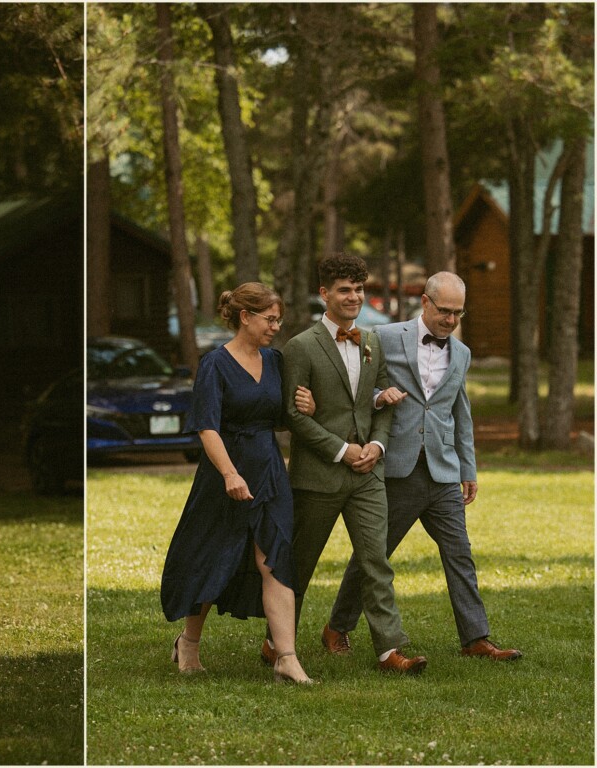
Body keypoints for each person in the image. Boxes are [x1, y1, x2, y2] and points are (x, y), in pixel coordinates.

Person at [328, 272, 522, 661]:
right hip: (396, 468)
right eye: (445, 311)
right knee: (375, 553)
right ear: (425, 302)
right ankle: (337, 627)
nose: (450, 320)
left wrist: (468, 468)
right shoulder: (384, 336)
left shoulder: (461, 354)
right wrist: (382, 395)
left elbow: (459, 413)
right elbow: (354, 385)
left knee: (460, 555)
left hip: (444, 471)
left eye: (458, 313)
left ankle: (475, 639)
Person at [279, 252, 427, 675]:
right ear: (324, 293)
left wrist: (377, 446)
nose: (354, 297)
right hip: (319, 474)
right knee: (300, 565)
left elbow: (381, 400)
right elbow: (293, 416)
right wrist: (344, 451)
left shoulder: (372, 342)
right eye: (345, 289)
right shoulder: (301, 347)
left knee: (375, 561)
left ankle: (389, 650)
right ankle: (278, 642)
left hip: (368, 474)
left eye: (359, 289)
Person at [160, 283, 316, 684]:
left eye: (278, 320)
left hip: (267, 469)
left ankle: (286, 657)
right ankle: (188, 643)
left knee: (275, 558)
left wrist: (305, 408)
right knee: (214, 556)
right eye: (269, 319)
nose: (275, 327)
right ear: (244, 316)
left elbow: (278, 418)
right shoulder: (214, 364)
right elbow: (206, 426)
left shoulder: (275, 361)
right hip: (224, 471)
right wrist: (230, 473)